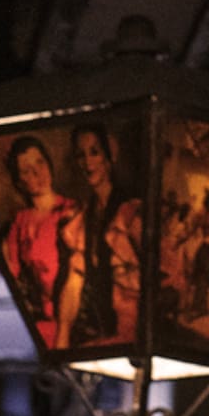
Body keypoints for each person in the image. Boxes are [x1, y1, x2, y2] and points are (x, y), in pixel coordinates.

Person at [0, 135, 82, 350]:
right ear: (19, 181)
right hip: (39, 320)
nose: (37, 173)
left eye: (40, 163)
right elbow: (10, 271)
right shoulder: (20, 220)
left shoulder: (70, 212)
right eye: (27, 170)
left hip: (72, 320)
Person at [66, 123, 143, 344]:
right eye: (81, 155)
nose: (88, 163)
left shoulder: (130, 209)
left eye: (94, 152)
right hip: (101, 322)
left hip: (130, 325)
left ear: (109, 155)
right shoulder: (85, 214)